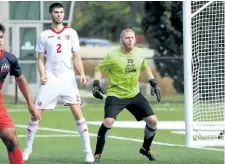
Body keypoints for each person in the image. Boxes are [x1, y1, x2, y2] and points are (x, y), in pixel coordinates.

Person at [22, 3, 94, 163]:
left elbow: (76, 56)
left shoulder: (71, 33)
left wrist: (81, 73)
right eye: (56, 12)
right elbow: (40, 59)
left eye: (61, 12)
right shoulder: (44, 35)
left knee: (78, 114)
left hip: (68, 81)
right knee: (35, 115)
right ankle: (27, 148)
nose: (59, 14)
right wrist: (42, 75)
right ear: (51, 14)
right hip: (50, 81)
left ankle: (88, 151)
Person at [92, 29, 161, 163]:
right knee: (108, 121)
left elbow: (145, 67)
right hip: (115, 94)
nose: (130, 40)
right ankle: (97, 155)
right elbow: (99, 69)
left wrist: (153, 82)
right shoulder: (112, 55)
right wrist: (96, 84)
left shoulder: (140, 53)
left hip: (134, 94)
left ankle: (145, 149)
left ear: (135, 40)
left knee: (153, 122)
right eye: (127, 38)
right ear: (121, 41)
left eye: (132, 38)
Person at [0, 23, 41, 164]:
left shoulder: (9, 58)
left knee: (11, 138)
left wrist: (30, 104)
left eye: (1, 37)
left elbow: (20, 79)